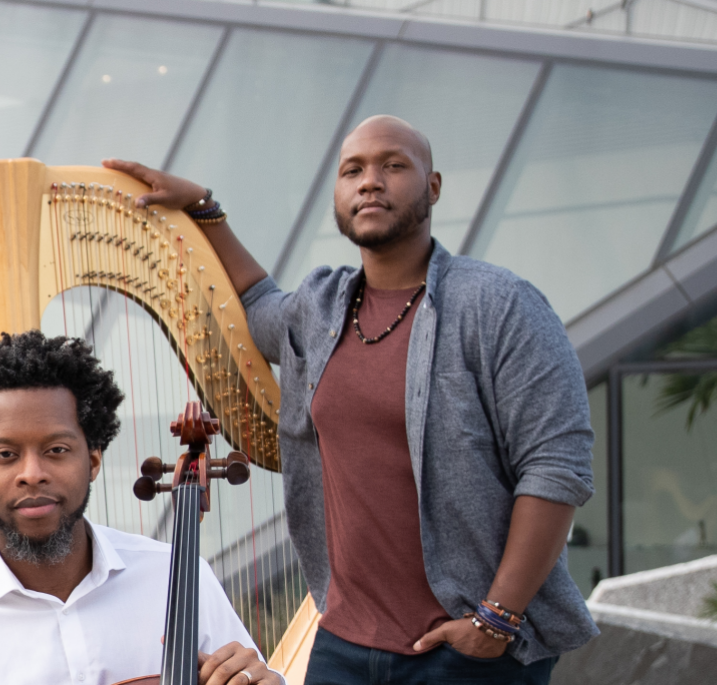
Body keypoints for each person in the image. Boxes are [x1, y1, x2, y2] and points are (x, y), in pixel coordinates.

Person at [98, 115, 597, 684]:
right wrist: (205, 207)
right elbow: (256, 302)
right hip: (343, 646)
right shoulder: (322, 307)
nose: (370, 182)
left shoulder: (500, 305)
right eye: (352, 170)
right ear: (337, 194)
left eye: (393, 165)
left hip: (464, 649)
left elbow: (556, 468)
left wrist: (496, 618)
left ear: (432, 188)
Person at [0, 332, 280, 685]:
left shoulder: (174, 574)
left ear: (92, 460)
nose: (32, 474)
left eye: (56, 450)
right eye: (5, 454)